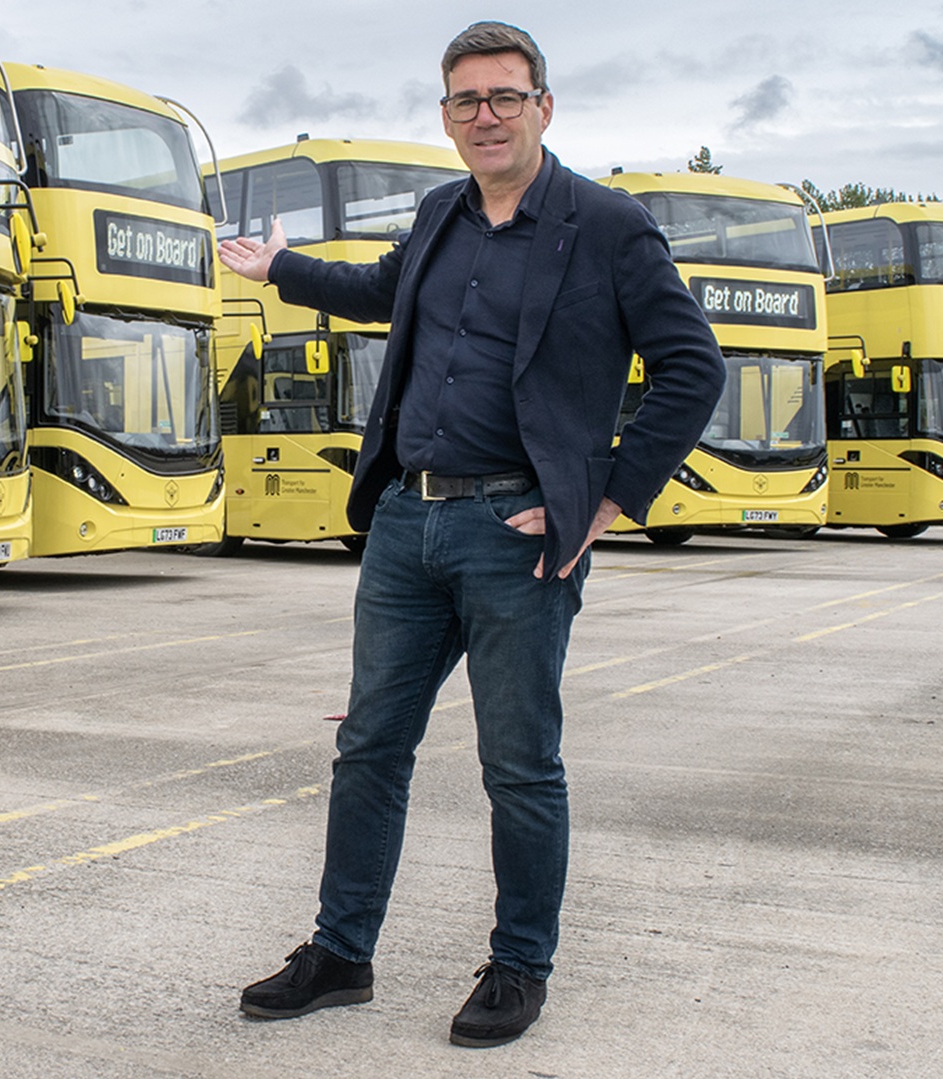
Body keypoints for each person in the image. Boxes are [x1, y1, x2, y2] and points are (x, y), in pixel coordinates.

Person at [222, 21, 725, 1048]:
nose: (484, 116)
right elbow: (378, 291)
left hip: (517, 531)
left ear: (544, 106)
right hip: (406, 521)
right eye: (465, 101)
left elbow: (692, 368)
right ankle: (341, 951)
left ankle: (518, 963)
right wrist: (282, 268)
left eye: (504, 97)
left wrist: (608, 496)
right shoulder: (441, 212)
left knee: (520, 764)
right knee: (369, 746)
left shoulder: (609, 226)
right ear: (445, 115)